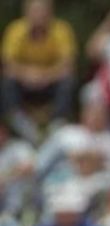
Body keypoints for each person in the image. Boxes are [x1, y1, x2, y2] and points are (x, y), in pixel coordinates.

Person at [0, 0, 77, 143]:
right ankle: (19, 122)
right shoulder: (15, 30)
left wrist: (43, 75)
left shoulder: (61, 30)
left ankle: (56, 125)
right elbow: (7, 65)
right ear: (26, 13)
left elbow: (67, 65)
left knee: (68, 81)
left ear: (50, 14)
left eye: (43, 12)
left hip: (50, 81)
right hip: (24, 81)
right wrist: (28, 74)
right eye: (35, 12)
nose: (39, 16)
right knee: (6, 82)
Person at [0, 118, 35, 218]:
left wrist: (4, 179)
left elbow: (29, 167)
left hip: (24, 200)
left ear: (5, 132)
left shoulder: (18, 147)